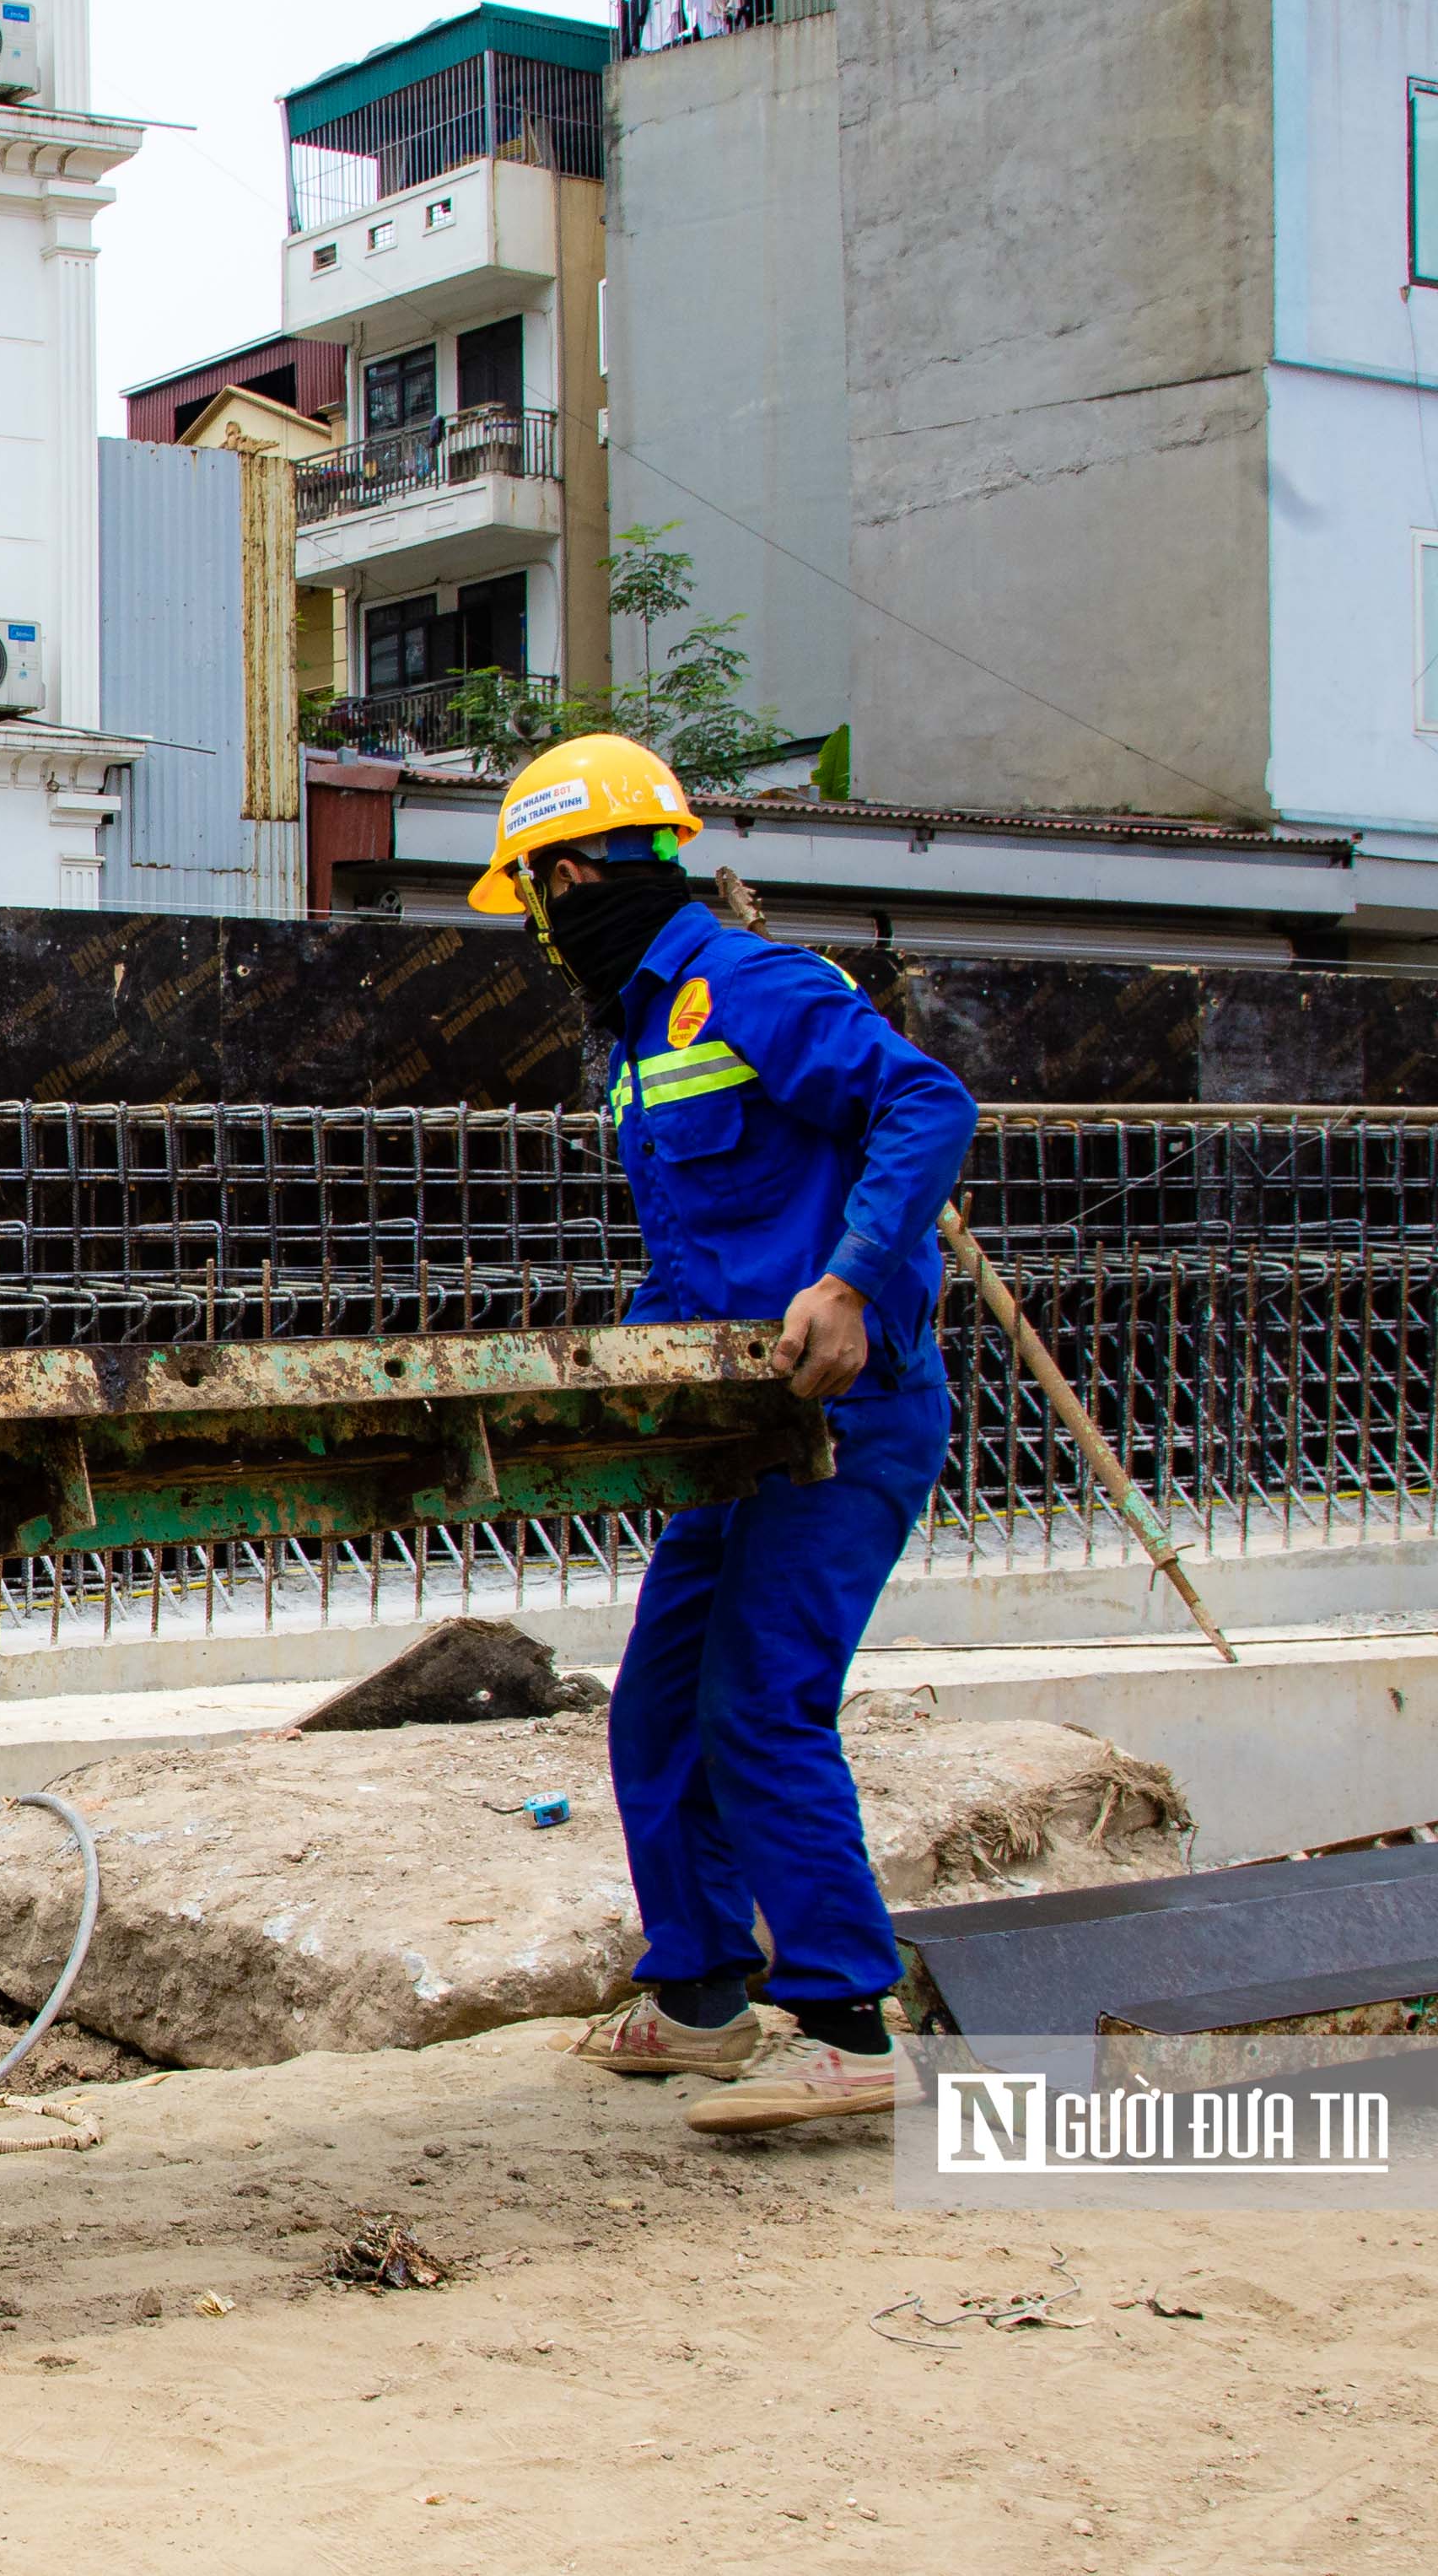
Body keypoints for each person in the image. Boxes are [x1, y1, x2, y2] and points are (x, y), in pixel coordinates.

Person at [469, 734, 976, 2137]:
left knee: (761, 1702)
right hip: (731, 1431)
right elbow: (706, 1243)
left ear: (568, 872)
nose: (539, 929)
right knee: (655, 1706)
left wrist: (850, 1281)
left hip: (842, 1417)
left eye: (533, 897)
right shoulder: (644, 1029)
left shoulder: (743, 985)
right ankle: (698, 2001)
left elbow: (926, 1105)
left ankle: (844, 2028)